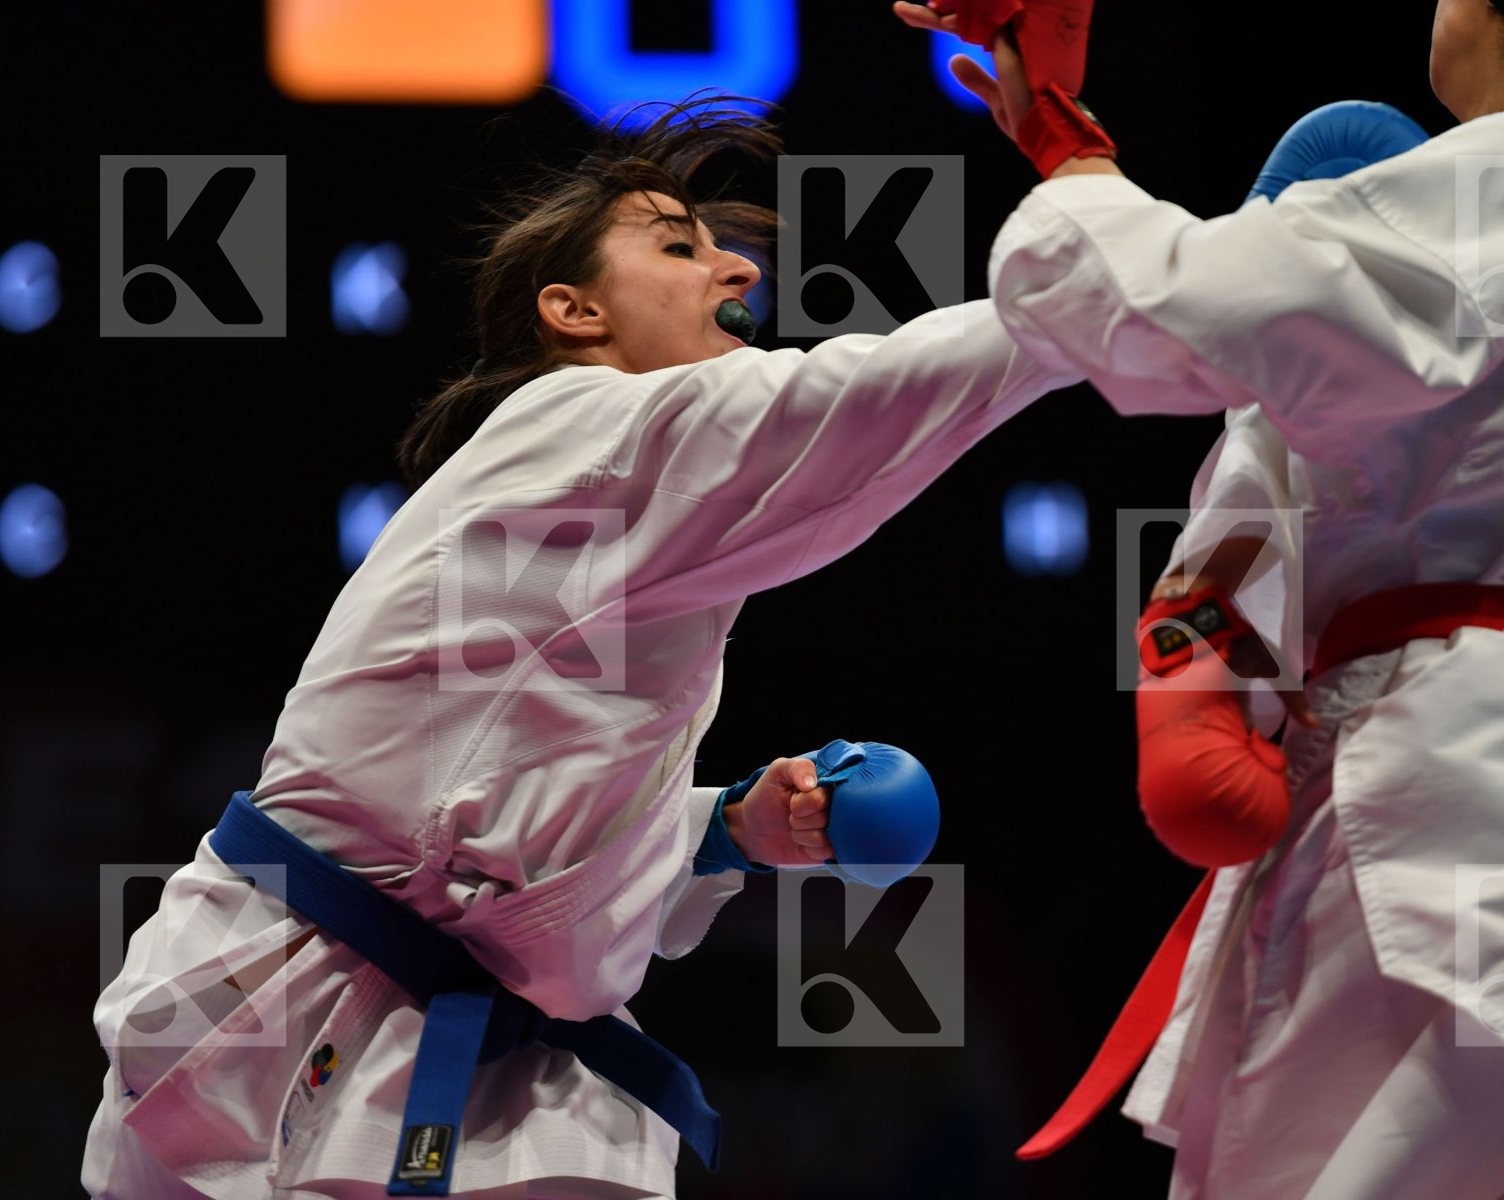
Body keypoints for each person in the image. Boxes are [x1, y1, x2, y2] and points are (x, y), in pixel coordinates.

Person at [81, 95, 1080, 1199]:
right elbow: (875, 400)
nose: (739, 272)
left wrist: (725, 828)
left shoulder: (577, 501)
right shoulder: (589, 426)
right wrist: (1101, 244)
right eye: (678, 246)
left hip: (456, 1037)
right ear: (574, 310)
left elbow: (501, 790)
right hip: (299, 1010)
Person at [898, 0, 1504, 1195]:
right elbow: (1308, 453)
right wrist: (1199, 674)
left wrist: (1064, 145)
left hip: (1462, 792)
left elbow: (1187, 309)